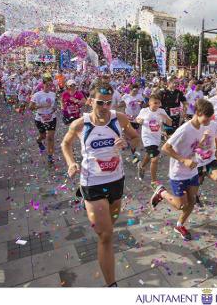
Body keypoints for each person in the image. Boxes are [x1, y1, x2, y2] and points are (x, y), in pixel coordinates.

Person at [61, 81, 139, 287]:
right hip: (92, 184)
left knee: (108, 230)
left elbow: (135, 138)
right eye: (100, 103)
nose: (105, 107)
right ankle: (111, 286)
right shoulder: (80, 124)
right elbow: (65, 143)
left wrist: (128, 144)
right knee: (106, 234)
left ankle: (104, 251)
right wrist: (71, 163)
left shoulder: (119, 119)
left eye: (108, 103)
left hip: (116, 182)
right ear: (90, 101)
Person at [150, 99, 215, 241]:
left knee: (192, 201)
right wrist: (183, 160)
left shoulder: (202, 128)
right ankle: (161, 192)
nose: (210, 120)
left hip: (192, 171)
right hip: (178, 173)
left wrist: (203, 145)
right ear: (198, 113)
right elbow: (165, 148)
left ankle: (179, 225)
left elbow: (194, 146)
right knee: (181, 205)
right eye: (207, 117)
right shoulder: (184, 129)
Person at [135, 93, 172, 184]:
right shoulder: (144, 111)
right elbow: (137, 119)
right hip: (147, 137)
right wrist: (139, 120)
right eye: (155, 103)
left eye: (159, 103)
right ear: (150, 103)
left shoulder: (162, 111)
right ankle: (154, 181)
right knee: (154, 159)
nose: (157, 105)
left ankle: (142, 166)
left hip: (156, 137)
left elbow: (170, 123)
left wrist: (165, 118)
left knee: (149, 154)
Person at [30, 75, 58, 164]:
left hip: (51, 117)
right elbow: (30, 107)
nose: (49, 87)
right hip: (40, 118)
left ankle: (50, 156)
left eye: (51, 85)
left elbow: (55, 105)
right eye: (48, 85)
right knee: (43, 136)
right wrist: (42, 106)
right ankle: (39, 141)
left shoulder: (53, 94)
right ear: (43, 84)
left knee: (50, 137)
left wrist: (53, 109)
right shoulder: (37, 95)